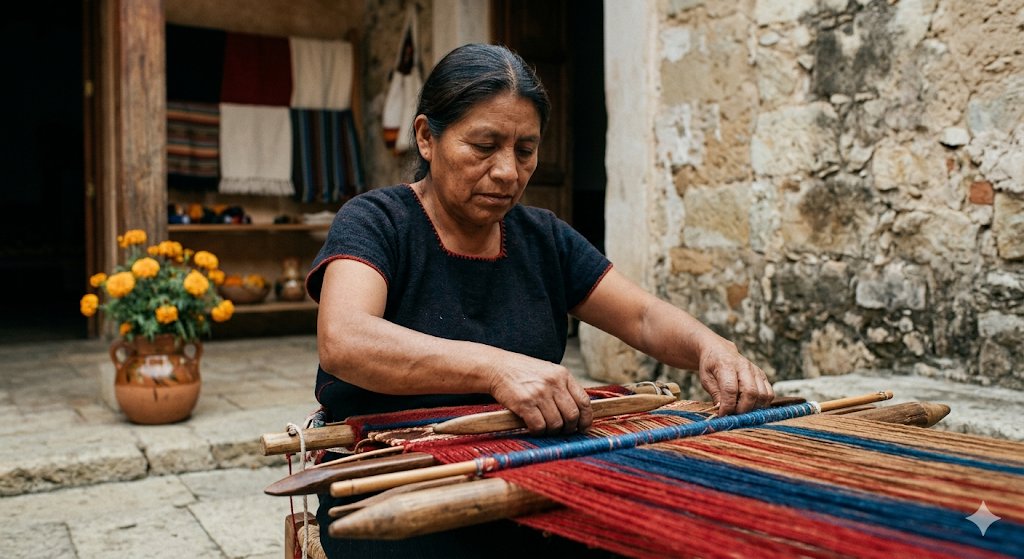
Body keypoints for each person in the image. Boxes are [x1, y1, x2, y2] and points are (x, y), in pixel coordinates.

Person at [306, 43, 774, 558]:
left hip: (526, 465)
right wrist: (497, 370)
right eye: (483, 146)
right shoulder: (378, 221)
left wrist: (712, 347)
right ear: (426, 138)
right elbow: (345, 340)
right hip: (391, 476)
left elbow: (642, 317)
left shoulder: (541, 237)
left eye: (525, 150)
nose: (507, 171)